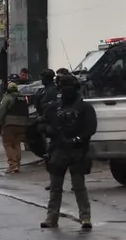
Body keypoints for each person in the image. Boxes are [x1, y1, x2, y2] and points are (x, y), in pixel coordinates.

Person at [41, 74, 96, 230]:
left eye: (69, 88)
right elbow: (41, 124)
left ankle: (85, 218)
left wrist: (77, 139)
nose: (67, 91)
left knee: (79, 186)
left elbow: (91, 128)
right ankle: (51, 218)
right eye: (64, 88)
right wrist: (50, 130)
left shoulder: (85, 108)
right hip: (58, 150)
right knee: (55, 187)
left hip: (77, 151)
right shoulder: (53, 107)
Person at [0, 81, 29, 174]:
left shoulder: (8, 98)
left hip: (10, 124)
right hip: (22, 124)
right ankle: (17, 165)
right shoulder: (23, 98)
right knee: (16, 144)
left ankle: (12, 165)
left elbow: (2, 111)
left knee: (8, 144)